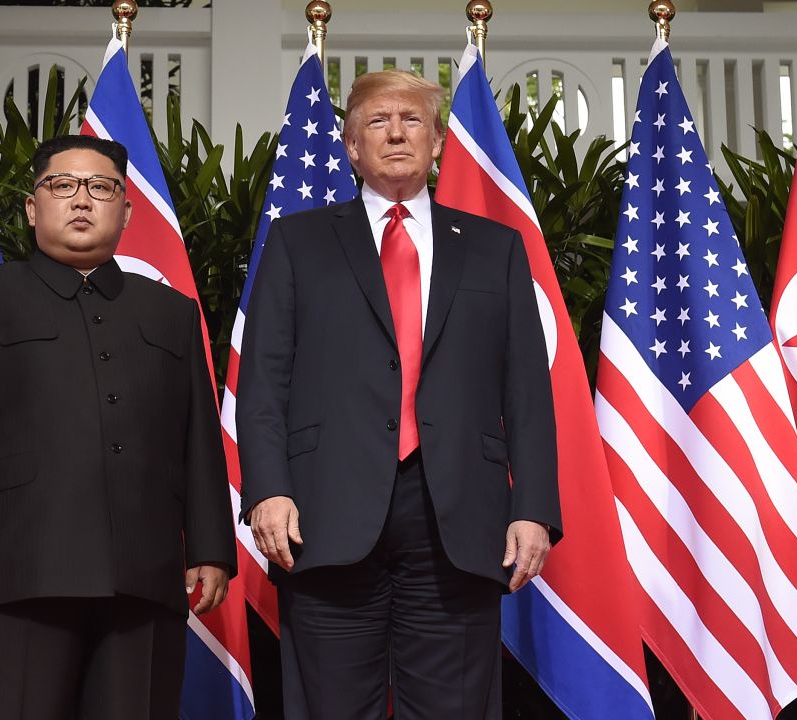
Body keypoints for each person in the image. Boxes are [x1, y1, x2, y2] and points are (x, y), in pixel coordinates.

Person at [238, 69, 562, 719]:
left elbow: (525, 387)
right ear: (352, 146)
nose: (395, 133)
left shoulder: (496, 249)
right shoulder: (297, 243)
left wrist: (533, 507)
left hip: (458, 520)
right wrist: (268, 489)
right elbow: (264, 378)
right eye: (376, 122)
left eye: (411, 120)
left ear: (437, 141)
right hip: (324, 513)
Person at [0, 134, 236, 720]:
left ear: (126, 211)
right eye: (62, 185)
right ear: (33, 208)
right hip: (19, 570)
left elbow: (199, 441)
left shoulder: (172, 312)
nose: (82, 200)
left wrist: (211, 547)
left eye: (101, 188)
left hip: (144, 574)